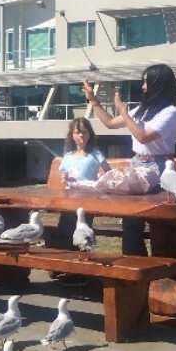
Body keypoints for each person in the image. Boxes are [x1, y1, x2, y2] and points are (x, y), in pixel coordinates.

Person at [82, 64, 176, 256]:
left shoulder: (170, 112)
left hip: (159, 168)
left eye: (146, 82)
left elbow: (143, 136)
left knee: (160, 223)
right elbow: (110, 123)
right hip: (137, 165)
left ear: (157, 84)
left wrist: (124, 112)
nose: (143, 87)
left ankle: (163, 269)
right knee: (130, 220)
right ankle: (135, 267)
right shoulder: (141, 110)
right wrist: (93, 99)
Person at [53, 117, 111, 286]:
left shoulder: (95, 154)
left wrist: (99, 181)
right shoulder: (69, 156)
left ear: (90, 134)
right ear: (72, 135)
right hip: (69, 201)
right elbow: (63, 178)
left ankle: (81, 273)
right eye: (77, 132)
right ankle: (70, 267)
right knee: (65, 231)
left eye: (84, 132)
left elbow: (109, 173)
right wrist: (64, 178)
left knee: (83, 234)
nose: (81, 136)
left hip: (87, 202)